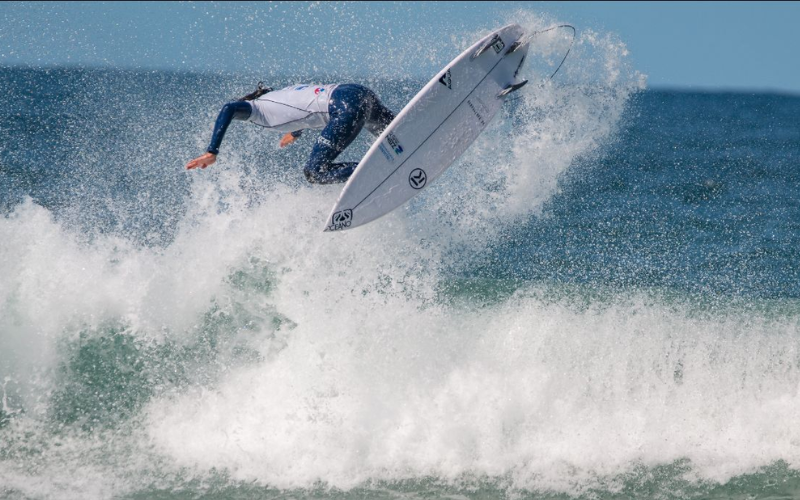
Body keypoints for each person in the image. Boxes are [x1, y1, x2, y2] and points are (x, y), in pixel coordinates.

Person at [185, 83, 395, 184]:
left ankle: (381, 170)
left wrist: (212, 151)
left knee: (315, 172)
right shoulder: (282, 94)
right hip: (357, 93)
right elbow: (298, 109)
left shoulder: (255, 109)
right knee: (395, 133)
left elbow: (228, 108)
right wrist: (295, 133)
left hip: (344, 109)